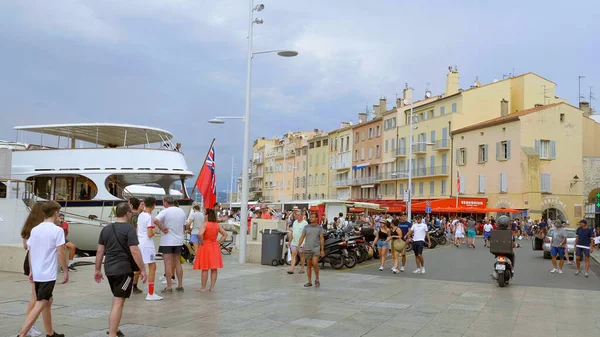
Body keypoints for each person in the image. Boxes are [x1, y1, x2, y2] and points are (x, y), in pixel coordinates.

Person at [95, 202, 147, 337]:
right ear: (127, 214)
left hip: (109, 269)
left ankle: (115, 328)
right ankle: (113, 333)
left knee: (117, 298)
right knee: (119, 301)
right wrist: (143, 269)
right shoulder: (129, 229)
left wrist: (97, 269)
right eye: (130, 212)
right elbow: (135, 251)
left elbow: (100, 251)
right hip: (123, 270)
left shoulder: (106, 229)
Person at [17, 201, 69, 337]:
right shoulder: (57, 230)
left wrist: (32, 271)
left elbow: (30, 250)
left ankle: (50, 333)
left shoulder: (35, 229)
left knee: (47, 301)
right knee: (40, 303)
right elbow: (61, 252)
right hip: (48, 274)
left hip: (37, 271)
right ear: (56, 212)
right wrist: (65, 270)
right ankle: (22, 333)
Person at [19, 202, 45, 337]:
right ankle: (28, 326)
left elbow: (25, 246)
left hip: (29, 258)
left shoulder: (29, 225)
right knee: (36, 296)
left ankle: (30, 326)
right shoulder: (42, 227)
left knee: (37, 296)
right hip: (38, 260)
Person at [153, 196, 186, 293]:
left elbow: (155, 220)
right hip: (178, 240)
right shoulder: (181, 211)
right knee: (178, 263)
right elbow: (184, 226)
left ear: (165, 202)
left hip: (167, 240)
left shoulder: (165, 211)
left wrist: (162, 227)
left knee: (167, 263)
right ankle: (180, 285)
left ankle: (169, 286)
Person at [193, 209, 227, 291]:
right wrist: (218, 242)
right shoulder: (216, 225)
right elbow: (225, 234)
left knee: (205, 268)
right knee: (214, 268)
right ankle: (212, 287)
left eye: (205, 214)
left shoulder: (205, 224)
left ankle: (203, 287)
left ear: (207, 215)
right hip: (214, 246)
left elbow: (200, 234)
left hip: (206, 246)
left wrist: (201, 241)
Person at [136, 197, 163, 301]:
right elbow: (150, 234)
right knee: (152, 267)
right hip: (147, 245)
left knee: (140, 266)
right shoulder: (149, 217)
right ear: (153, 206)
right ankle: (150, 293)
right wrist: (156, 230)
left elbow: (138, 230)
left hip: (140, 242)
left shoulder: (140, 215)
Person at [297, 212, 325, 287]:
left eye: (313, 217)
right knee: (308, 265)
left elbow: (322, 238)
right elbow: (302, 236)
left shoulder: (320, 228)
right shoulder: (306, 227)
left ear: (316, 218)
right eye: (311, 217)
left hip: (316, 248)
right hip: (307, 249)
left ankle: (317, 278)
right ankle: (309, 281)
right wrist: (298, 245)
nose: (311, 218)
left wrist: (322, 250)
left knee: (315, 263)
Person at [128, 197, 144, 294]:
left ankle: (131, 285)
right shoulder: (138, 216)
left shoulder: (131, 216)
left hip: (129, 242)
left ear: (131, 205)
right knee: (136, 265)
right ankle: (134, 286)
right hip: (135, 242)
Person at [287, 209, 307, 274]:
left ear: (302, 216)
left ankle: (302, 268)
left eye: (298, 215)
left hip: (301, 243)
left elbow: (307, 234)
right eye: (296, 215)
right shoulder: (295, 222)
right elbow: (293, 232)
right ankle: (292, 269)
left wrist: (305, 243)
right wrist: (290, 241)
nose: (296, 216)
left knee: (301, 255)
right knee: (293, 254)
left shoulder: (305, 223)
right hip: (294, 242)